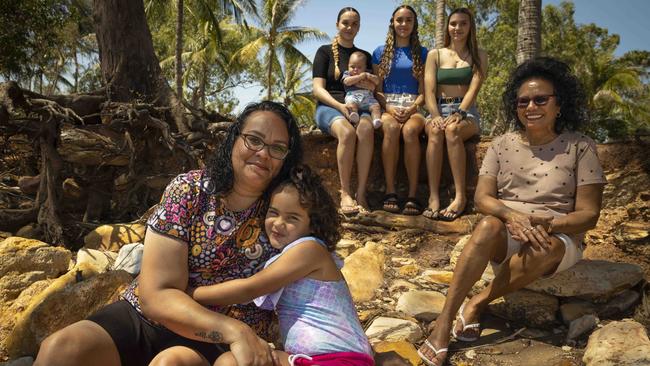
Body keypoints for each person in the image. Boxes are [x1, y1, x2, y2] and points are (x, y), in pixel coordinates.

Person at [34, 101, 303, 366]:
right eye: (253, 140)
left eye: (277, 148)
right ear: (234, 139)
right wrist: (235, 330)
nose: (264, 154)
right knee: (61, 349)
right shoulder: (189, 190)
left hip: (220, 346)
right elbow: (156, 295)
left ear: (287, 159)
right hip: (148, 319)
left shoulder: (287, 214)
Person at [417, 57, 607, 366]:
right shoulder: (502, 144)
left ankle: (479, 301)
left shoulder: (580, 146)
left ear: (559, 104)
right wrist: (511, 217)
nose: (531, 106)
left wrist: (551, 223)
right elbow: (482, 199)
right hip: (508, 230)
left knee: (545, 246)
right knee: (486, 226)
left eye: (540, 99)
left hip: (559, 236)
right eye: (522, 101)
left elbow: (589, 215)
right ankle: (444, 321)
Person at [172, 164, 374, 366]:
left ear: (313, 224)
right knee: (231, 360)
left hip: (341, 360)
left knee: (231, 362)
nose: (278, 223)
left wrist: (189, 293)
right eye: (273, 212)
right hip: (312, 359)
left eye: (292, 218)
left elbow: (249, 288)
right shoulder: (292, 254)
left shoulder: (310, 250)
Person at [422, 7, 488, 221]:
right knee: (435, 132)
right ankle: (433, 197)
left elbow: (474, 89)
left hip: (467, 112)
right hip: (438, 109)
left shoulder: (480, 55)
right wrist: (435, 115)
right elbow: (429, 91)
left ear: (470, 28)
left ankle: (460, 198)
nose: (457, 28)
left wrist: (460, 112)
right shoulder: (435, 54)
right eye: (453, 24)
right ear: (448, 27)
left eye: (463, 24)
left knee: (452, 131)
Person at [313, 7, 375, 215]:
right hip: (330, 107)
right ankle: (345, 192)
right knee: (347, 133)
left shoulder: (364, 56)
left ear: (359, 27)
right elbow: (317, 89)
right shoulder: (324, 52)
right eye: (345, 23)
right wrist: (340, 107)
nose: (349, 27)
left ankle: (362, 193)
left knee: (366, 130)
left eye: (354, 24)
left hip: (360, 106)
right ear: (337, 24)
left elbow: (373, 87)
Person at [372, 4, 428, 216]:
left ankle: (413, 195)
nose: (403, 24)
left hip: (413, 108)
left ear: (414, 25)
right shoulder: (379, 53)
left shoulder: (423, 54)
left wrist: (413, 107)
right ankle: (390, 190)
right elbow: (377, 90)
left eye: (408, 20)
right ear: (392, 23)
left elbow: (424, 92)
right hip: (388, 106)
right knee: (392, 128)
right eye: (399, 20)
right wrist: (389, 107)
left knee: (410, 131)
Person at [342, 51, 382, 129]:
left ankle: (376, 120)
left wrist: (370, 76)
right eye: (352, 67)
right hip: (353, 97)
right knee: (351, 105)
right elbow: (346, 82)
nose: (355, 70)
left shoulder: (367, 74)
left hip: (368, 98)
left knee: (376, 107)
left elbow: (377, 81)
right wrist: (359, 77)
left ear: (365, 67)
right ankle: (354, 115)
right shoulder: (347, 74)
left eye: (359, 67)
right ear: (348, 66)